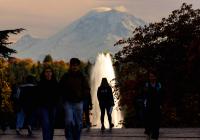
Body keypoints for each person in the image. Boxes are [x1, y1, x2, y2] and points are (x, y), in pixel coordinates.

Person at [59, 58, 89, 140]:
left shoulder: (82, 76)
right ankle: (69, 138)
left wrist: (83, 97)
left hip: (79, 102)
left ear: (78, 66)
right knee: (69, 122)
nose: (75, 67)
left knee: (78, 123)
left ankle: (77, 138)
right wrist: (63, 99)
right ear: (70, 66)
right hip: (68, 103)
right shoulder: (65, 76)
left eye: (76, 65)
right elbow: (60, 88)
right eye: (73, 65)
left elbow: (87, 88)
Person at [38, 67, 59, 140]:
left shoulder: (55, 83)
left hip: (53, 107)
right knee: (45, 124)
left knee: (51, 125)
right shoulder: (40, 83)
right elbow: (37, 96)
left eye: (50, 71)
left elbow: (58, 95)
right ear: (44, 73)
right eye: (46, 72)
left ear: (52, 73)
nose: (48, 73)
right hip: (43, 107)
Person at [143, 70, 163, 140]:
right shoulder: (147, 84)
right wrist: (144, 103)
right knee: (148, 120)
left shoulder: (159, 85)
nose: (151, 78)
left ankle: (155, 136)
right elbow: (144, 94)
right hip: (149, 105)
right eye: (150, 77)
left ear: (156, 77)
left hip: (157, 105)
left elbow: (162, 95)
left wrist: (161, 104)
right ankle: (148, 134)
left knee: (156, 121)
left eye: (153, 76)